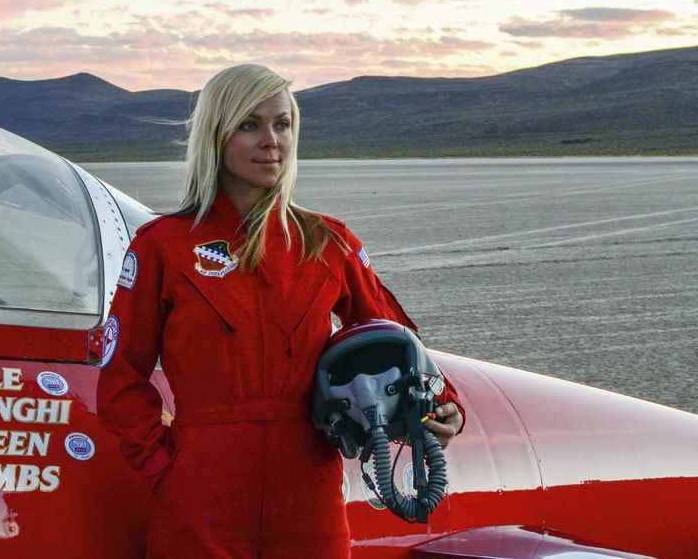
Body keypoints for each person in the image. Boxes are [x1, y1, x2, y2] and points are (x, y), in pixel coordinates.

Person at [97, 63, 465, 558]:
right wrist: (167, 469)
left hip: (309, 485)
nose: (271, 140)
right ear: (216, 135)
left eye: (282, 124)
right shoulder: (163, 247)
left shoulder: (328, 242)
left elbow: (396, 339)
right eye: (250, 125)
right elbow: (119, 379)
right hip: (201, 487)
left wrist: (445, 404)